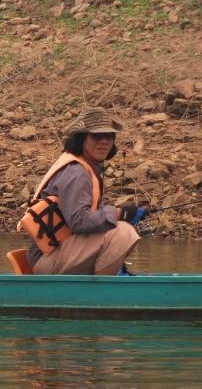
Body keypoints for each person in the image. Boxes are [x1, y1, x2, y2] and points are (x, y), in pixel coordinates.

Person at [18, 106, 149, 275]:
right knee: (123, 233)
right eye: (96, 136)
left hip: (59, 253)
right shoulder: (76, 173)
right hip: (47, 260)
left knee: (120, 228)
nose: (104, 141)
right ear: (82, 139)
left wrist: (126, 214)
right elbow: (79, 221)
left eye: (109, 136)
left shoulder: (86, 168)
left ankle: (113, 274)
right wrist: (120, 214)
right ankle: (107, 288)